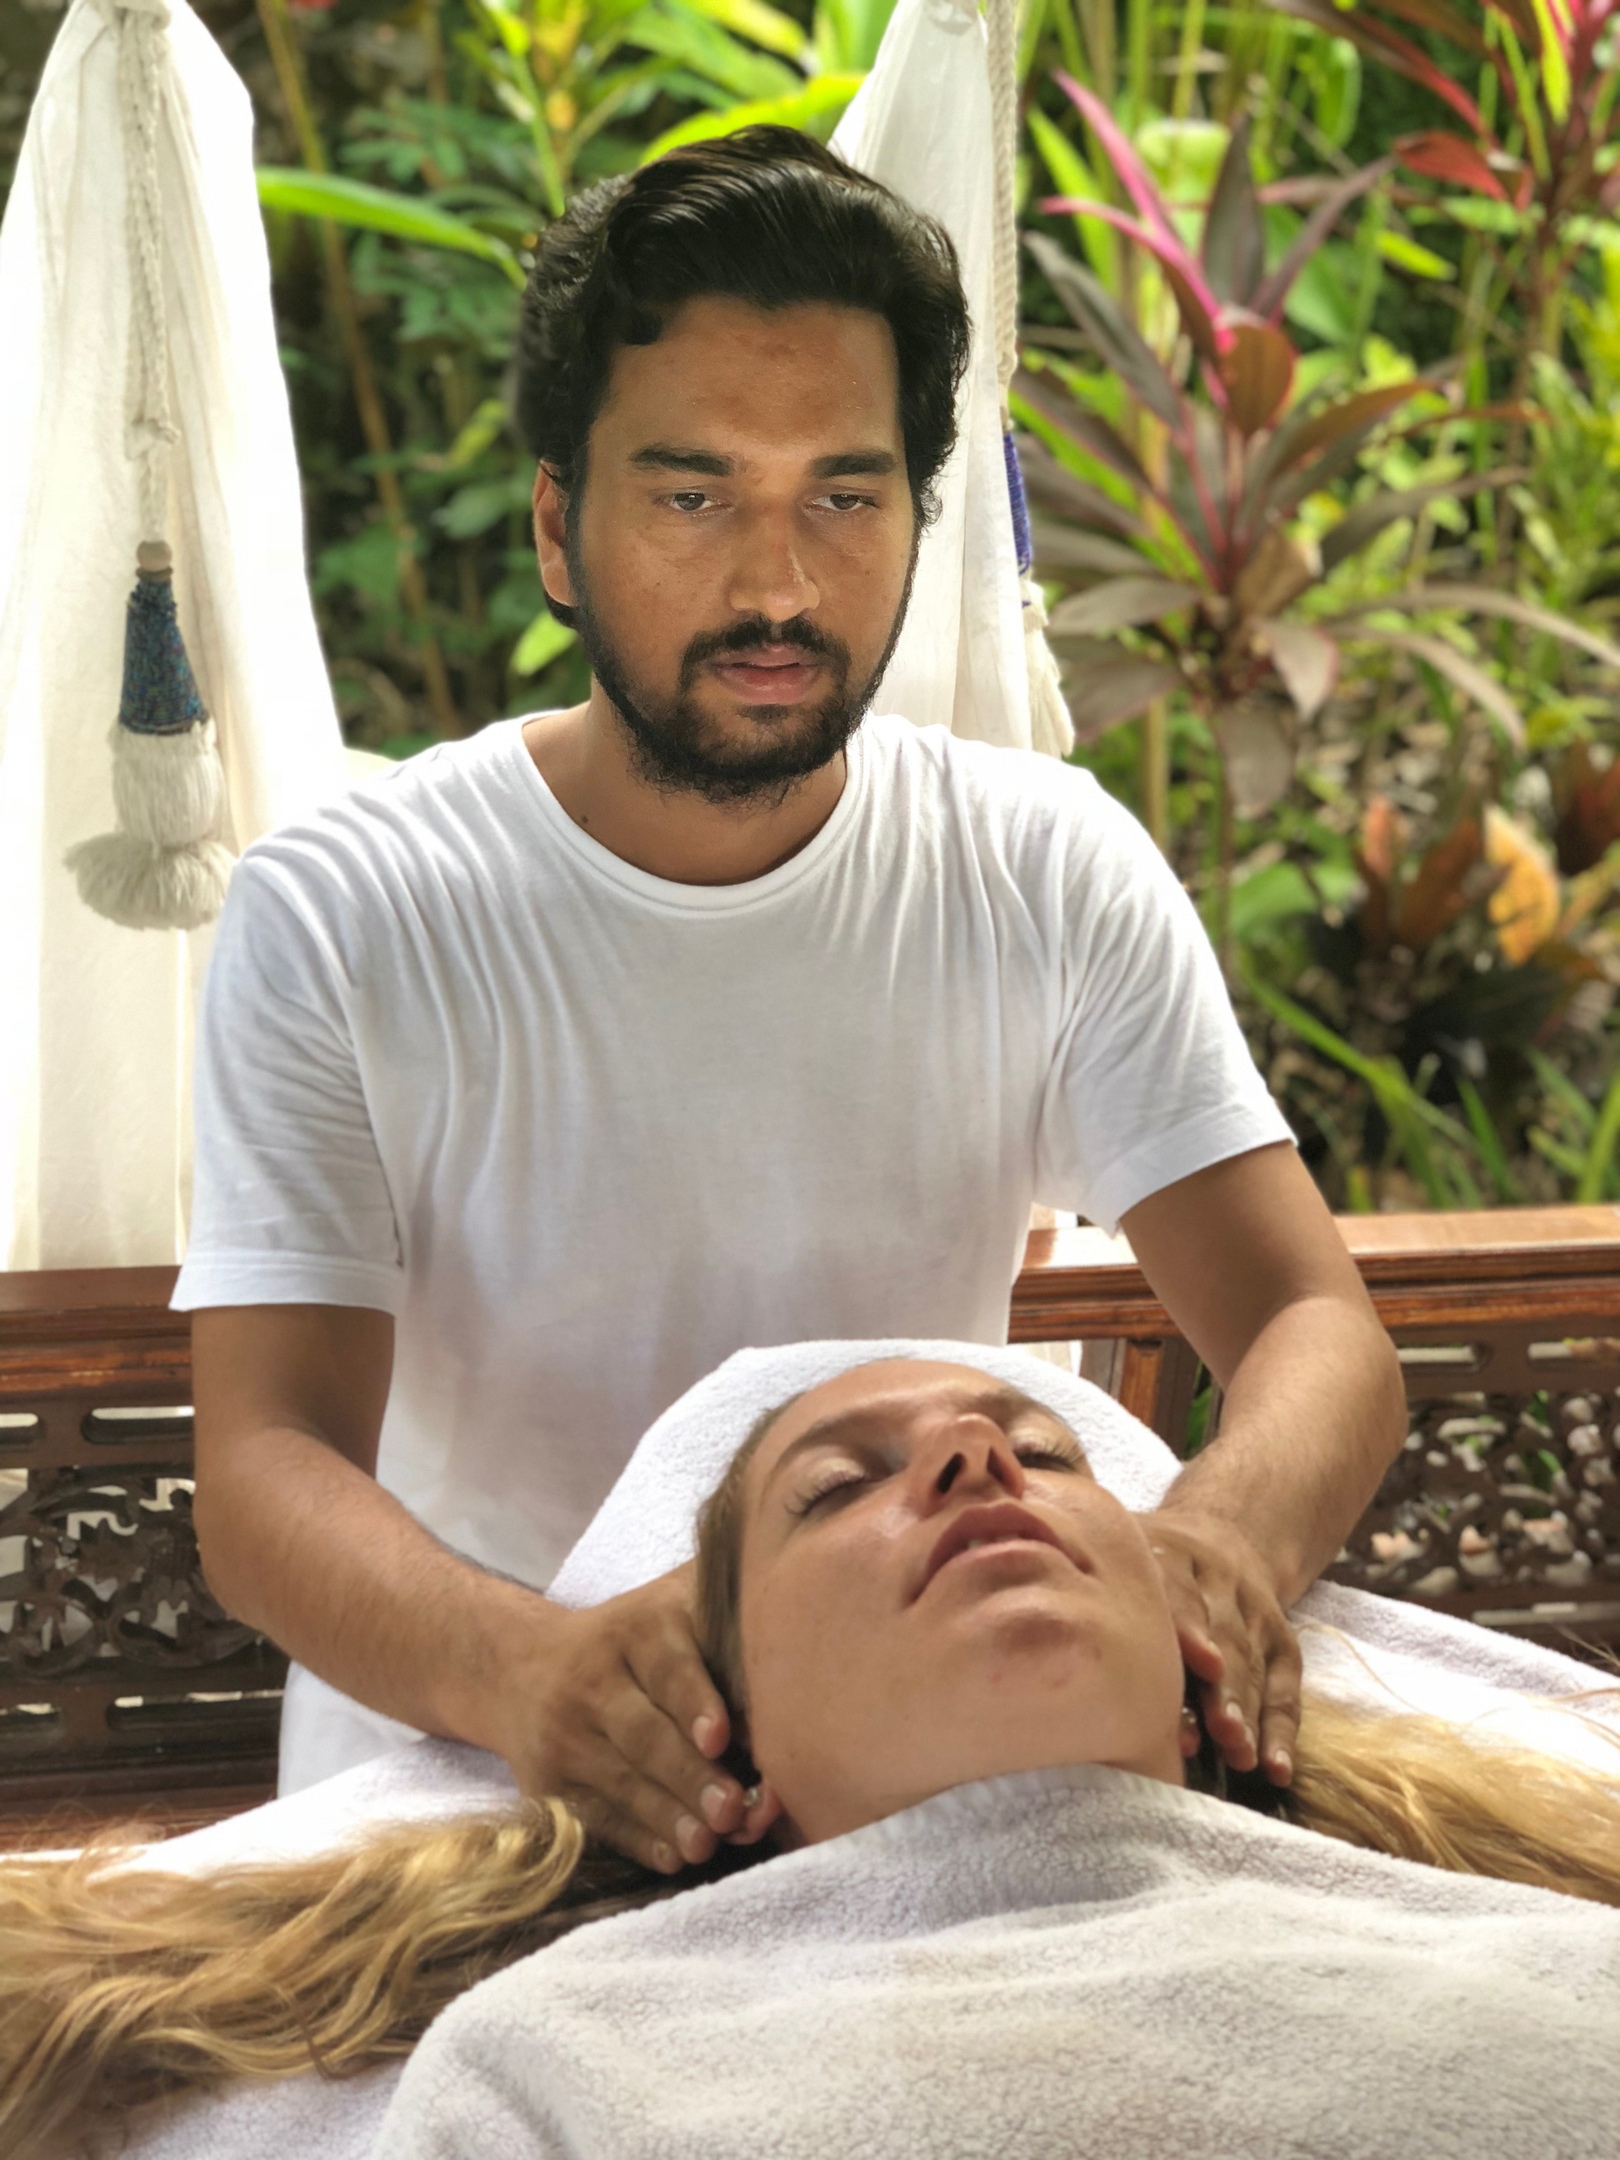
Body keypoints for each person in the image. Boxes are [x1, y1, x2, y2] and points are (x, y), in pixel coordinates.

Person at [176, 124, 1406, 1877]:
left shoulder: (1037, 864)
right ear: (557, 528)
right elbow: (263, 1470)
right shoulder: (351, 908)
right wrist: (530, 1671)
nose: (777, 586)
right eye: (693, 498)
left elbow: (1310, 1322)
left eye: (845, 496)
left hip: (938, 1779)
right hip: (475, 1781)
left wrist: (1216, 1541)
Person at [4, 1358, 1617, 2160]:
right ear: (727, 1739)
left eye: (1042, 1452)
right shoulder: (557, 2071)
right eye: (838, 1489)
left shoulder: (1556, 1961)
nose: (978, 1455)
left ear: (1203, 1675)